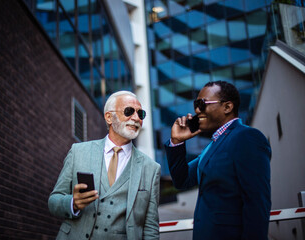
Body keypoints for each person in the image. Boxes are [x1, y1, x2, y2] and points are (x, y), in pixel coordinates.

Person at [164, 81, 271, 240]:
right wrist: (177, 141)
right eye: (195, 104)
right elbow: (182, 179)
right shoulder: (212, 147)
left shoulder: (246, 138)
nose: (196, 110)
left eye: (202, 104)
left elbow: (257, 203)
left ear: (227, 107)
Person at [48, 91, 161, 240]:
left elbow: (151, 228)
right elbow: (53, 201)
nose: (136, 118)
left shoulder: (151, 168)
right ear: (109, 117)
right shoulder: (78, 152)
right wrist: (72, 203)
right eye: (129, 111)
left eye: (141, 114)